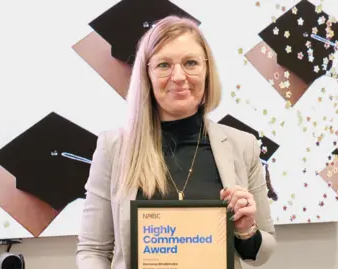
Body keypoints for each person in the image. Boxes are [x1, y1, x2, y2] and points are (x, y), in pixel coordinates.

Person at [76, 15, 277, 269]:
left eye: (190, 62)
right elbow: (92, 250)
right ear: (146, 73)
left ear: (206, 70)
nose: (179, 76)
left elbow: (263, 252)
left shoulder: (243, 145)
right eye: (164, 65)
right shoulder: (113, 147)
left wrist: (246, 230)